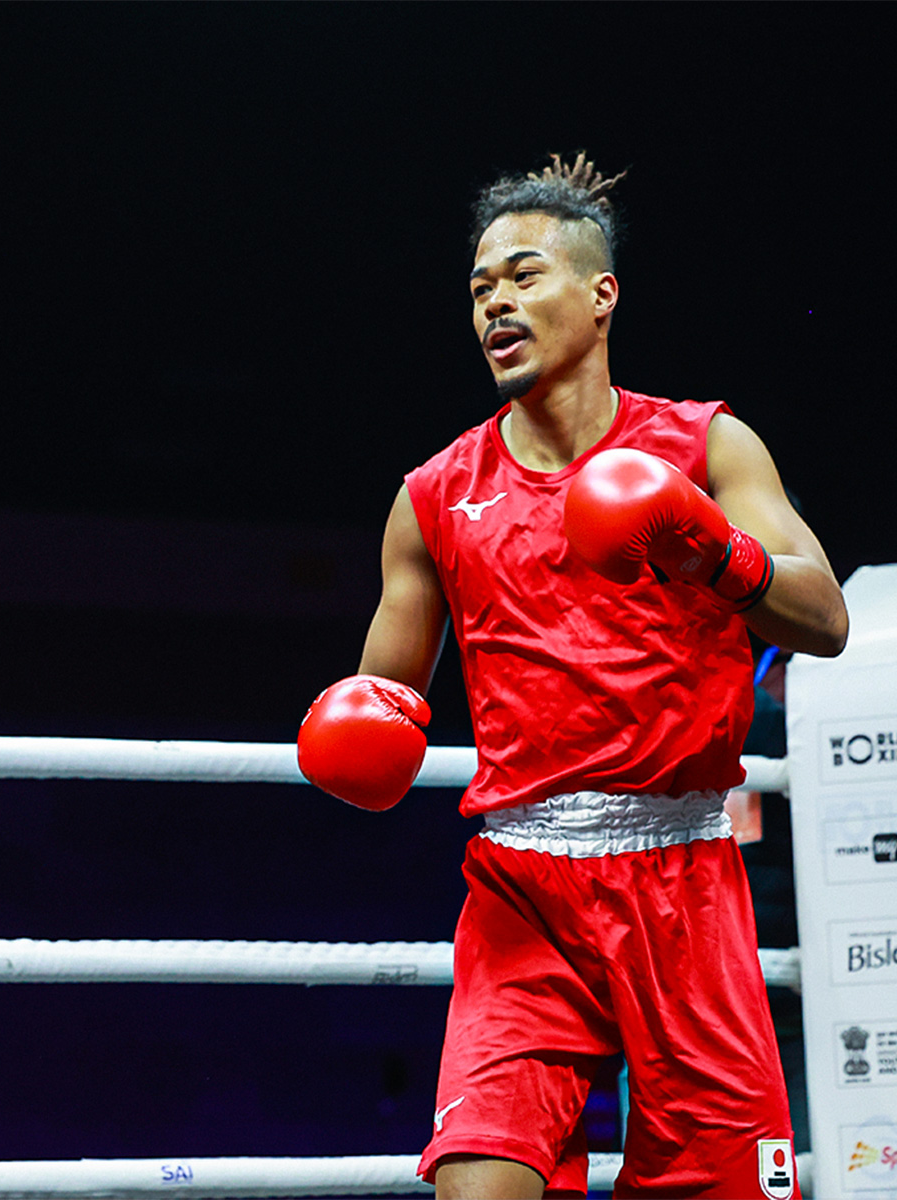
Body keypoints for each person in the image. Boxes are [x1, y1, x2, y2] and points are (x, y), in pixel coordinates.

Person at [296, 154, 847, 1198]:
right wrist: (353, 731)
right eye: (477, 289)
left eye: (522, 274)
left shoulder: (705, 444)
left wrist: (707, 551)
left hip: (686, 882)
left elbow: (823, 617)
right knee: (477, 1180)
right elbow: (381, 700)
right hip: (523, 897)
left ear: (600, 296)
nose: (494, 301)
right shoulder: (433, 497)